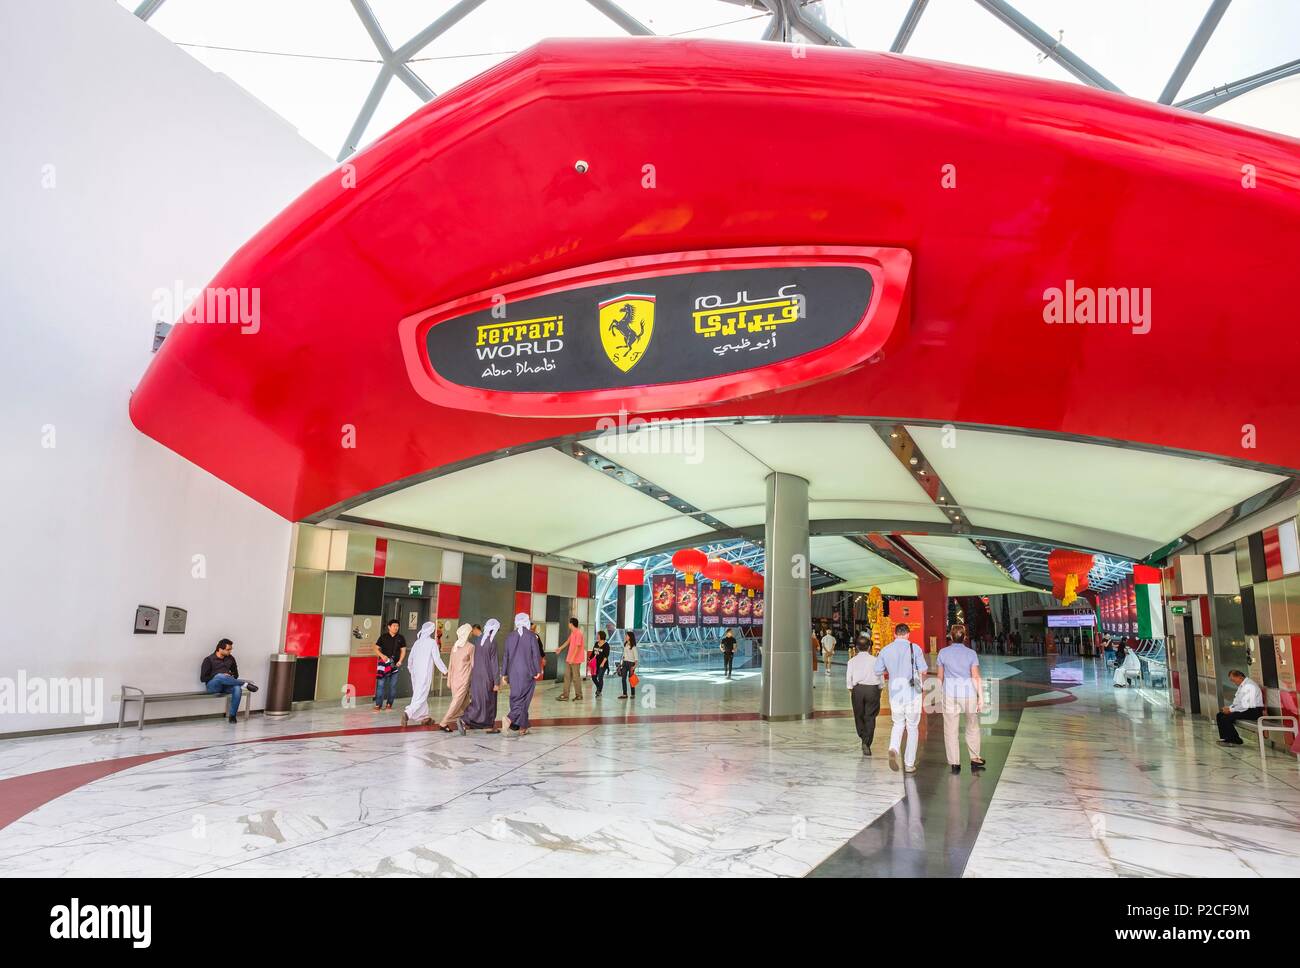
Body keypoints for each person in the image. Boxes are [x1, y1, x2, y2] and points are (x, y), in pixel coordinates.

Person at [874, 624, 927, 774]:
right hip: (912, 693)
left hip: (895, 693)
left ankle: (893, 748)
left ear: (895, 634)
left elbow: (877, 670)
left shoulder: (885, 650)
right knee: (912, 727)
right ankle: (909, 764)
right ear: (908, 634)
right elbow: (923, 670)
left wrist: (892, 669)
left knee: (897, 724)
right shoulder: (915, 648)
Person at [935, 624, 986, 774]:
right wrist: (981, 697)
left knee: (950, 729)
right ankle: (975, 758)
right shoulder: (971, 653)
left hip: (949, 694)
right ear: (965, 637)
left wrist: (938, 695)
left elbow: (939, 677)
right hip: (968, 694)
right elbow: (976, 676)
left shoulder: (943, 653)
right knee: (972, 725)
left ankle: (955, 763)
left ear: (951, 636)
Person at [199, 638, 259, 723]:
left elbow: (236, 675)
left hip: (227, 686)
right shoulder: (208, 660)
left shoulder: (230, 659)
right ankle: (245, 684)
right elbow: (203, 678)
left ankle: (232, 716)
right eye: (228, 649)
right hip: (213, 687)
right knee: (220, 676)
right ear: (220, 649)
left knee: (237, 688)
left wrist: (229, 675)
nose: (230, 651)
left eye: (231, 649)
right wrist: (218, 675)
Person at [502, 613, 542, 734]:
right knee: (524, 698)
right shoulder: (531, 636)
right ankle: (509, 718)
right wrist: (537, 670)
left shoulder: (510, 636)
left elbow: (506, 656)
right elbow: (535, 654)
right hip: (527, 671)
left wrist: (504, 673)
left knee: (515, 697)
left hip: (513, 672)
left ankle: (522, 727)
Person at [402, 620, 448, 726]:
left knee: (419, 694)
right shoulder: (432, 643)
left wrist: (411, 670)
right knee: (421, 695)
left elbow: (410, 659)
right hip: (424, 674)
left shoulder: (417, 643)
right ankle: (407, 713)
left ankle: (425, 717)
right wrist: (445, 670)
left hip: (415, 674)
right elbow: (437, 659)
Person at [845, 638, 883, 756]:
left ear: (856, 647)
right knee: (870, 717)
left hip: (858, 690)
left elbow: (849, 679)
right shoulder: (876, 660)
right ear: (869, 647)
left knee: (859, 715)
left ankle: (863, 737)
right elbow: (881, 679)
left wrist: (852, 689)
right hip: (872, 690)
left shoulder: (852, 661)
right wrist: (880, 689)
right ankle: (867, 742)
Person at [464, 618, 501, 732]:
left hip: (476, 676)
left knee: (477, 700)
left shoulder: (478, 642)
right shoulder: (492, 642)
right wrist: (496, 682)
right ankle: (488, 725)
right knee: (490, 702)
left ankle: (474, 723)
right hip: (487, 676)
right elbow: (494, 663)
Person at [438, 623, 475, 734]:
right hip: (463, 679)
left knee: (465, 703)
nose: (471, 633)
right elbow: (474, 665)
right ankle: (444, 722)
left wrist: (449, 680)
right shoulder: (471, 647)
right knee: (456, 703)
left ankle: (468, 720)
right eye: (470, 631)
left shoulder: (455, 646)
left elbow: (450, 665)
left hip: (454, 679)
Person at [1217, 670, 1265, 746]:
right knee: (1220, 715)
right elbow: (1237, 702)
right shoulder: (1242, 686)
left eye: (1233, 680)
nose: (1233, 682)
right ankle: (1226, 738)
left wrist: (1230, 710)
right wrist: (1229, 708)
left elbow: (1245, 705)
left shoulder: (1250, 686)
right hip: (1246, 709)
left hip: (1253, 711)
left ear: (1240, 677)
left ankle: (1235, 739)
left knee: (1226, 718)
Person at [373, 619, 407, 712]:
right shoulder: (383, 637)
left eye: (397, 626)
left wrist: (400, 661)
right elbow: (375, 648)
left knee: (392, 686)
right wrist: (382, 655)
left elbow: (403, 651)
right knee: (380, 685)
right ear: (389, 627)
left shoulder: (401, 638)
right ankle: (378, 705)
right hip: (383, 665)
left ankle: (389, 704)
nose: (396, 628)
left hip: (395, 665)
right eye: (394, 626)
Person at [557, 617, 585, 701]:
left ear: (571, 624)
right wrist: (560, 648)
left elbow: (577, 646)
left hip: (575, 660)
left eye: (569, 623)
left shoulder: (578, 633)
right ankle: (565, 695)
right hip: (569, 658)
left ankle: (579, 695)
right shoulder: (573, 633)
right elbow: (567, 642)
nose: (568, 624)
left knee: (576, 678)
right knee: (567, 676)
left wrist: (572, 657)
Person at [618, 631, 639, 700]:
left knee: (631, 679)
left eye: (627, 636)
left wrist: (634, 667)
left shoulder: (633, 647)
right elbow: (624, 655)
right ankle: (625, 694)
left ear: (630, 637)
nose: (625, 637)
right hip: (625, 663)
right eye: (625, 635)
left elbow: (636, 658)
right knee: (623, 678)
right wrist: (621, 663)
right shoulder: (625, 644)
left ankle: (633, 694)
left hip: (631, 664)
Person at [591, 630, 611, 697]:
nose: (597, 636)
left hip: (603, 664)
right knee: (593, 677)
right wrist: (589, 659)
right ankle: (599, 687)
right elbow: (593, 653)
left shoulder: (606, 645)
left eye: (598, 635)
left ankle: (599, 691)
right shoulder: (596, 643)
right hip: (595, 664)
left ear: (601, 636)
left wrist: (602, 663)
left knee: (600, 677)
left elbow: (606, 656)